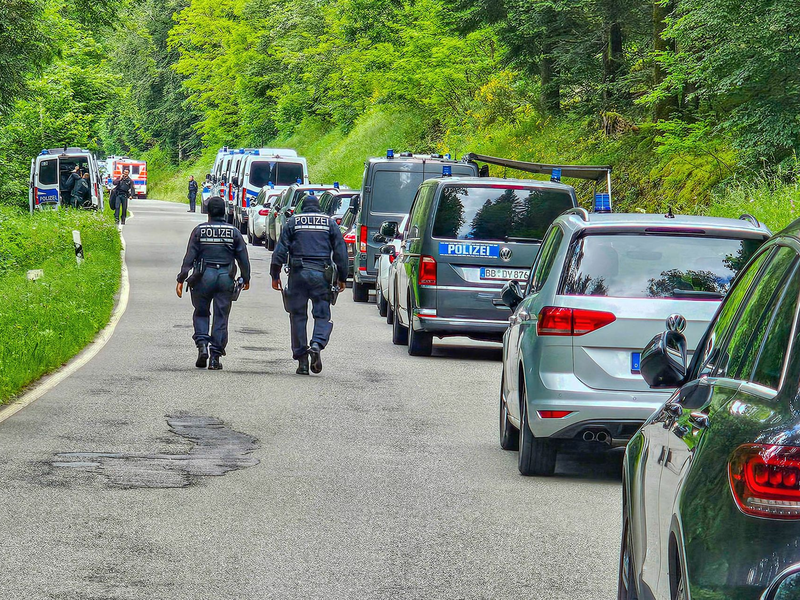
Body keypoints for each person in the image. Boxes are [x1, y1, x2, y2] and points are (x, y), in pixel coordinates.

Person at [270, 192, 348, 375]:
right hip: (322, 274)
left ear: (303, 207)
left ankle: (302, 362)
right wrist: (342, 277)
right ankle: (316, 344)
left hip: (297, 274)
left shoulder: (293, 222)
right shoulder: (329, 223)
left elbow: (280, 249)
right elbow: (340, 251)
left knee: (297, 316)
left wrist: (275, 274)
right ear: (318, 208)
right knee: (322, 314)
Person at [176, 196, 251, 370]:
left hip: (202, 277)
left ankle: (202, 345)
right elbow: (243, 258)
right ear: (224, 211)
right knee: (221, 316)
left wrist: (181, 278)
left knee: (201, 312)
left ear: (208, 212)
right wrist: (246, 278)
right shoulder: (234, 232)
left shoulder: (199, 231)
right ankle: (215, 357)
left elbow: (189, 257)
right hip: (226, 277)